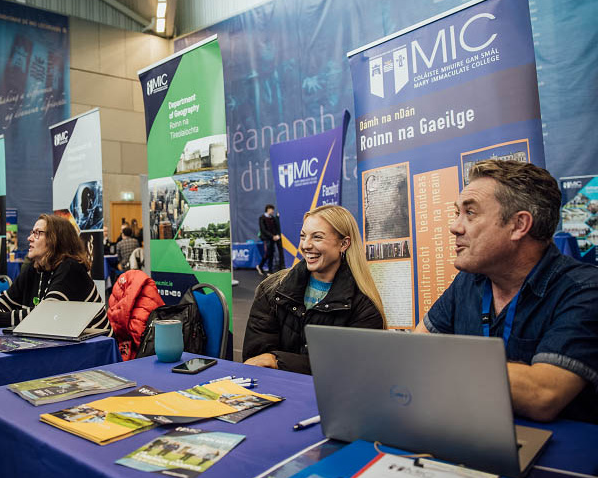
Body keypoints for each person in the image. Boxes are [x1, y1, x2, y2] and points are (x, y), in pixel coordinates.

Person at [416, 160, 598, 423]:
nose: (454, 227)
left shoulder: (584, 290)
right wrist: (517, 373)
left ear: (519, 225)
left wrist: (443, 361)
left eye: (470, 213)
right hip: (474, 438)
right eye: (458, 213)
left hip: (556, 456)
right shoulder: (468, 282)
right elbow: (415, 350)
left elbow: (542, 395)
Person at [243, 205, 386, 373]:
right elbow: (256, 359)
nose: (305, 245)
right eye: (303, 236)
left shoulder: (363, 305)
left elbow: (352, 369)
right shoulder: (272, 289)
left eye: (317, 237)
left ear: (344, 243)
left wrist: (278, 361)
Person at [0, 214, 111, 333]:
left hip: (94, 344)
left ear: (56, 239)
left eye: (38, 233)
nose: (29, 238)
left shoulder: (70, 268)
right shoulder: (36, 266)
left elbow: (45, 313)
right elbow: (8, 300)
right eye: (32, 232)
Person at [256, 204, 285, 274]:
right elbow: (263, 230)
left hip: (273, 239)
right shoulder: (262, 218)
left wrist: (276, 236)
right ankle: (260, 266)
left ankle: (270, 271)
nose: (273, 211)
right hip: (267, 239)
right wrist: (272, 236)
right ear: (268, 209)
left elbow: (276, 227)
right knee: (268, 254)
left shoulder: (273, 218)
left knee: (271, 254)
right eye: (272, 210)